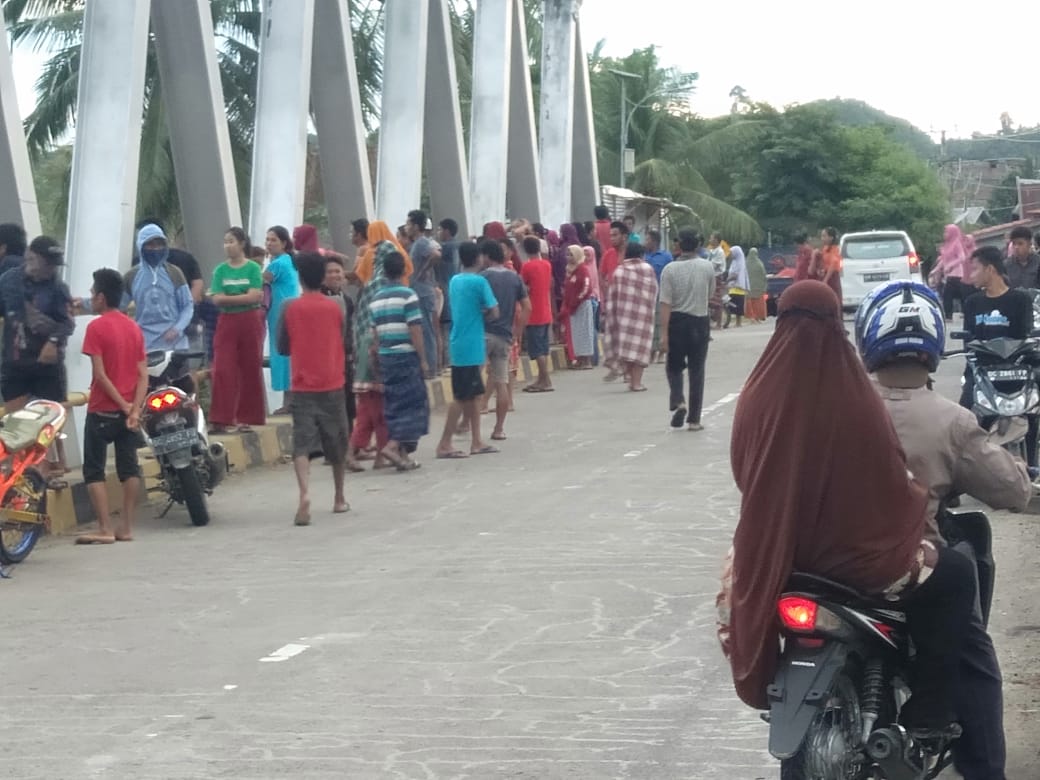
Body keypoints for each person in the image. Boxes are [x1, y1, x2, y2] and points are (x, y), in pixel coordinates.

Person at [721, 279, 975, 735]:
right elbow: (891, 482)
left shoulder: (755, 396)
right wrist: (916, 496)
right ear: (838, 326)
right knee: (956, 576)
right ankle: (929, 712)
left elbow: (746, 475)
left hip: (777, 552)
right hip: (857, 561)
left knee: (731, 587)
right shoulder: (855, 397)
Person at [857, 280, 1031, 779]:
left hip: (824, 564)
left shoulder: (840, 407)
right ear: (934, 344)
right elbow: (1012, 491)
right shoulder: (951, 419)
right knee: (973, 658)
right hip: (911, 571)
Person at [276, 252, 350, 525]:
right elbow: (342, 339)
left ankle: (305, 493)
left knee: (302, 443)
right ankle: (339, 497)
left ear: (299, 277)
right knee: (337, 441)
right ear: (322, 277)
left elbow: (282, 346)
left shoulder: (288, 307)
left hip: (302, 385)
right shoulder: (337, 306)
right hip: (332, 381)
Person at [76, 268, 148, 545]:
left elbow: (100, 375)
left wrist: (122, 404)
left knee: (93, 470)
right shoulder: (133, 327)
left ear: (102, 298)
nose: (91, 298)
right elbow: (143, 375)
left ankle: (105, 528)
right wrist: (134, 410)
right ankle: (126, 526)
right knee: (129, 468)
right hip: (129, 415)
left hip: (102, 410)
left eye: (93, 294)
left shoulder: (95, 327)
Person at [0, 235, 74, 485]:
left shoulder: (57, 288)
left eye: (54, 264)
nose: (51, 269)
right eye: (48, 263)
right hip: (15, 362)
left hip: (47, 366)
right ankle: (18, 475)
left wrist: (52, 342)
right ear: (32, 257)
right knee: (15, 423)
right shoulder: (9, 282)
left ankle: (43, 474)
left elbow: (67, 322)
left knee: (49, 422)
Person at [959, 245, 1037, 469]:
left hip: (1018, 369)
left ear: (990, 269)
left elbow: (1025, 335)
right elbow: (969, 341)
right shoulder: (972, 302)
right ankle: (964, 469)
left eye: (974, 269)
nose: (970, 275)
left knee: (1033, 409)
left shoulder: (1020, 300)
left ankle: (1033, 462)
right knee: (964, 414)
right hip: (982, 371)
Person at [435, 241, 500, 459]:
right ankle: (445, 442)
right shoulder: (479, 282)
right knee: (463, 397)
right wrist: (484, 313)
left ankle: (476, 441)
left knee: (472, 395)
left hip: (459, 342)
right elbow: (495, 311)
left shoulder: (455, 280)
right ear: (478, 258)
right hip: (471, 344)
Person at [351, 222, 404, 469]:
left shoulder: (370, 284)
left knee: (369, 407)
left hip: (364, 349)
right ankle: (374, 453)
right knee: (379, 408)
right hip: (378, 351)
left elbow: (361, 319)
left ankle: (361, 453)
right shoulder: (390, 287)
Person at [370, 251, 429, 471]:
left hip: (386, 357)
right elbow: (415, 330)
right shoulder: (408, 295)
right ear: (404, 270)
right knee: (414, 404)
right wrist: (422, 359)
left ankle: (404, 457)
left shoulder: (376, 298)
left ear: (384, 272)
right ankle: (392, 446)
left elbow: (374, 337)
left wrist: (376, 362)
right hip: (406, 355)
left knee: (395, 404)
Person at [207, 227, 266, 434]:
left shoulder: (252, 268)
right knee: (223, 368)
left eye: (231, 241)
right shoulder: (220, 270)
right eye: (225, 241)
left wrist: (229, 298)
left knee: (249, 367)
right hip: (227, 322)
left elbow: (254, 296)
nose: (227, 245)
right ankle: (220, 418)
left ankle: (246, 417)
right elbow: (216, 299)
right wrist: (242, 296)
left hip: (250, 320)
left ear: (241, 244)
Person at [659, 230, 715, 431]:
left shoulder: (669, 270)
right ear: (698, 244)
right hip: (700, 321)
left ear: (679, 245)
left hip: (677, 321)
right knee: (697, 370)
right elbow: (710, 293)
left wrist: (663, 333)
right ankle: (694, 420)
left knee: (674, 366)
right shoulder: (707, 267)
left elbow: (665, 303)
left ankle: (679, 400)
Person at [479, 239, 530, 439]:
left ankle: (470, 425)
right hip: (505, 335)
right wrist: (517, 331)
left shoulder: (482, 277)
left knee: (476, 379)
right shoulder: (514, 278)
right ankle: (499, 429)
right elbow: (527, 307)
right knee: (501, 383)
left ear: (487, 256)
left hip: (483, 333)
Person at [123, 224, 195, 353]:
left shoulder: (174, 273)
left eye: (159, 244)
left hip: (175, 347)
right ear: (141, 246)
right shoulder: (131, 276)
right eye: (150, 245)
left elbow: (187, 306)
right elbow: (116, 305)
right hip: (145, 348)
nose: (155, 249)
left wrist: (177, 329)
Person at [604, 242, 658, 391]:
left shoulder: (619, 271)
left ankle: (629, 379)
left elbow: (612, 295)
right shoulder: (647, 269)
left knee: (627, 348)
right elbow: (653, 290)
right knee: (640, 348)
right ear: (641, 254)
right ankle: (636, 382)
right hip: (643, 315)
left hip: (623, 315)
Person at [262, 226, 299, 415]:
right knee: (286, 356)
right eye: (267, 240)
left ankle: (290, 402)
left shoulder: (277, 265)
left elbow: (259, 281)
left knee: (284, 357)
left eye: (273, 240)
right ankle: (289, 401)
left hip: (280, 315)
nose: (269, 243)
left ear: (284, 243)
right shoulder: (288, 261)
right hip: (284, 314)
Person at [406, 210, 441, 379]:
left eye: (408, 224)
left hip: (422, 292)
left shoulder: (421, 243)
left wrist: (422, 271)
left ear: (416, 226)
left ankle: (430, 368)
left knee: (426, 331)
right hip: (421, 291)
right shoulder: (418, 243)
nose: (407, 227)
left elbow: (435, 255)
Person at [512, 235, 550, 393]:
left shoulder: (527, 267)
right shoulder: (547, 264)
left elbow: (522, 287)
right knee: (543, 347)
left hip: (534, 312)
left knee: (537, 350)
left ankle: (545, 380)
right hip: (546, 310)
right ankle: (542, 378)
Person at [559, 245, 595, 368]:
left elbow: (586, 288)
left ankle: (587, 360)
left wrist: (576, 301)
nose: (569, 258)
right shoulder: (569, 270)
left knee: (585, 332)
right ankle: (579, 359)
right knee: (575, 334)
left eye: (571, 255)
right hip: (572, 307)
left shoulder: (582, 269)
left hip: (582, 306)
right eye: (567, 255)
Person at [930, 224, 970, 320]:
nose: (944, 234)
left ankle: (953, 315)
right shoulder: (947, 245)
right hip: (949, 275)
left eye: (947, 232)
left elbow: (962, 257)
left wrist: (951, 265)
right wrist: (935, 270)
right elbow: (944, 260)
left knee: (951, 294)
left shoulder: (957, 244)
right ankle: (949, 315)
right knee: (949, 295)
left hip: (957, 274)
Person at [436, 218, 460, 372]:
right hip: (455, 292)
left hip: (444, 291)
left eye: (439, 229)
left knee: (445, 329)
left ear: (446, 231)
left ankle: (448, 361)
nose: (438, 233)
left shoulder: (445, 248)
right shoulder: (459, 246)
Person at [355, 221, 410, 286]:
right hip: (401, 290)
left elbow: (360, 279)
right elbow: (409, 270)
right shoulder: (399, 252)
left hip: (375, 291)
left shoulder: (370, 254)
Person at [1006, 225, 1040, 290]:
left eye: (1020, 243)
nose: (1016, 247)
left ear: (1029, 244)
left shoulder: (1038, 263)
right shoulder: (1006, 265)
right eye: (1014, 243)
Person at [814, 226, 842, 303]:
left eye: (824, 236)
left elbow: (833, 264)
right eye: (821, 236)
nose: (822, 238)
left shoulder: (835, 249)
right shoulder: (825, 248)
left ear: (831, 238)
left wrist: (826, 279)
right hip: (825, 274)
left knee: (833, 298)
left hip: (832, 276)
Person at [599, 220, 629, 292]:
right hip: (612, 296)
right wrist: (606, 291)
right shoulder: (608, 254)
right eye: (611, 236)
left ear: (624, 236)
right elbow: (601, 276)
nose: (612, 238)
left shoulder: (632, 253)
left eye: (615, 235)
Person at [725, 245, 749, 328]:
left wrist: (726, 281)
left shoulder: (737, 263)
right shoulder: (738, 261)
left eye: (731, 253)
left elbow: (734, 275)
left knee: (735, 305)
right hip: (736, 287)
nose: (730, 254)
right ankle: (738, 322)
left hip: (736, 288)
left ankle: (738, 323)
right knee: (736, 305)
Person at [744, 247, 768, 323]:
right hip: (758, 286)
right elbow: (764, 275)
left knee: (749, 301)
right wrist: (764, 285)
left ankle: (751, 317)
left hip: (748, 286)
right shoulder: (759, 263)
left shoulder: (745, 263)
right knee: (758, 302)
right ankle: (758, 316)